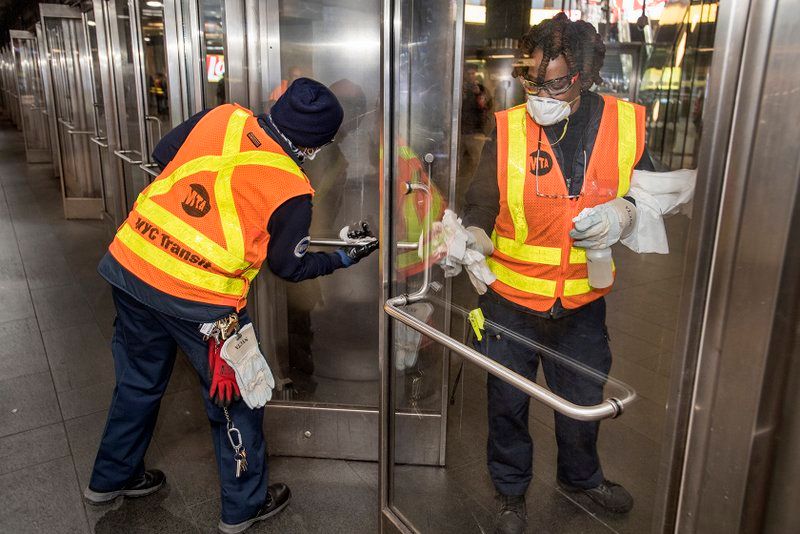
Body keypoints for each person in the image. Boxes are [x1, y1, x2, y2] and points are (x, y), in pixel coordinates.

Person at [82, 78, 379, 534]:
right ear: (315, 146)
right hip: (204, 302)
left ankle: (111, 479)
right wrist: (342, 257)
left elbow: (165, 154)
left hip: (133, 265)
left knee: (138, 381)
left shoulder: (224, 116)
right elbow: (290, 267)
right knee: (236, 401)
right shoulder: (292, 188)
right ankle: (243, 506)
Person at [457, 14, 660, 534]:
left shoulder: (625, 123)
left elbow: (661, 193)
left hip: (582, 305)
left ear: (586, 76)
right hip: (509, 301)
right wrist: (471, 237)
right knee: (506, 403)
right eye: (531, 80)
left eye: (555, 82)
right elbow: (483, 201)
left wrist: (628, 212)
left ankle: (581, 477)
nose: (539, 92)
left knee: (582, 401)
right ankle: (509, 491)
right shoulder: (508, 129)